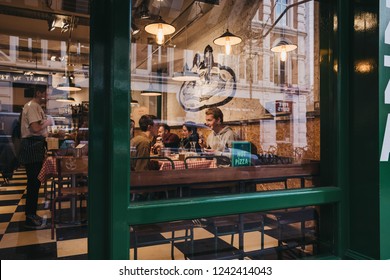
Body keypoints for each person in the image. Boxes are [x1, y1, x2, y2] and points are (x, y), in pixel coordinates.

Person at [19, 85, 54, 229]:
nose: (48, 96)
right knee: (33, 182)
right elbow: (35, 128)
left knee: (35, 182)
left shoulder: (34, 106)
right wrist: (48, 121)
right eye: (46, 93)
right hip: (32, 146)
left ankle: (32, 213)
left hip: (35, 146)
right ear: (39, 93)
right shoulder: (32, 106)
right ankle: (30, 216)